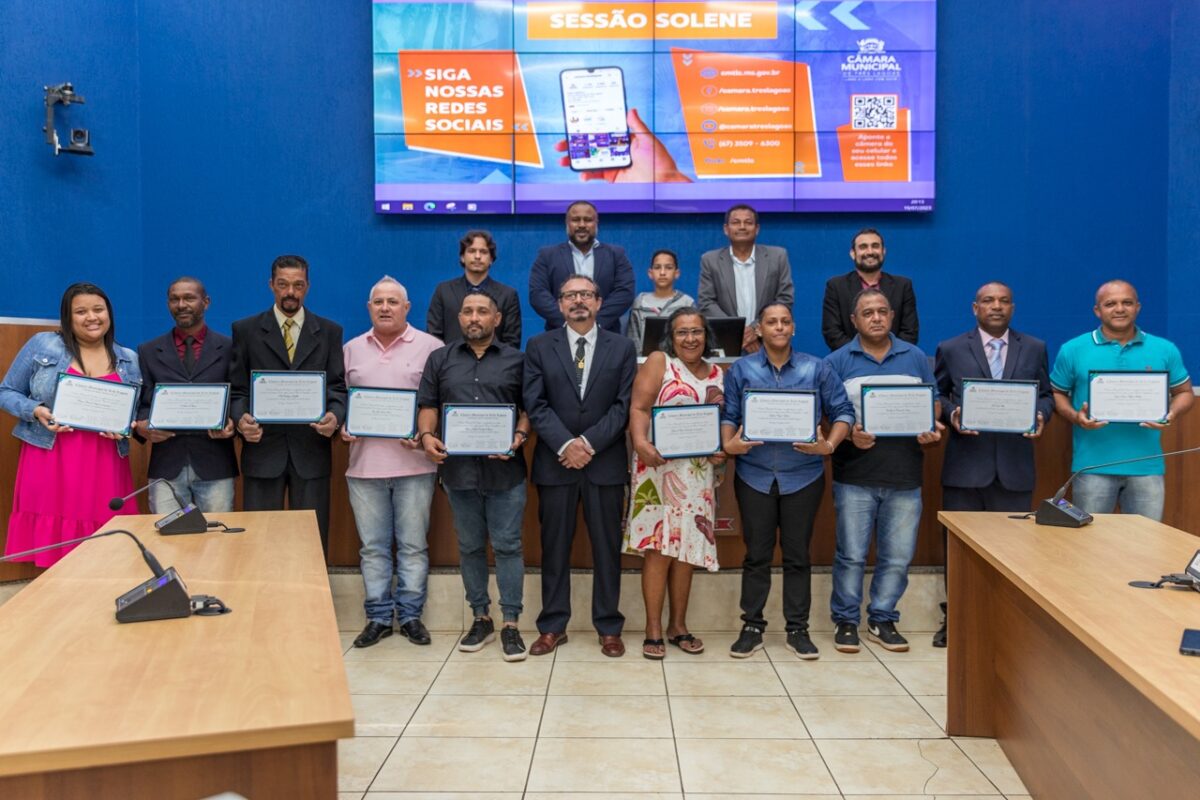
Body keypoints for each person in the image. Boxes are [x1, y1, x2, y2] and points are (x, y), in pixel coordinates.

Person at [721, 303, 855, 659]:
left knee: (798, 555)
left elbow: (843, 412)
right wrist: (728, 443)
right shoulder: (742, 369)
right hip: (754, 475)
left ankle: (798, 629)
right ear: (759, 330)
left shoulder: (817, 368)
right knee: (757, 555)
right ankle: (752, 626)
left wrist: (828, 445)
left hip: (803, 476)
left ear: (793, 328)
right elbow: (730, 414)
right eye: (771, 322)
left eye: (785, 322)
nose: (779, 327)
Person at [932, 281, 1053, 647]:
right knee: (959, 548)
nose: (996, 306)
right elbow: (937, 392)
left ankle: (1007, 618)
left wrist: (1041, 415)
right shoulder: (951, 348)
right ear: (975, 308)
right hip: (965, 466)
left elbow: (1045, 395)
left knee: (1013, 549)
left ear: (1012, 308)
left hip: (1014, 468)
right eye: (988, 301)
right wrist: (952, 413)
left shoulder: (1034, 347)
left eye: (1003, 301)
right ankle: (956, 618)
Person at [524, 274, 637, 657]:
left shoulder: (622, 348)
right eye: (570, 295)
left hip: (603, 463)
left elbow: (623, 406)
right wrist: (566, 444)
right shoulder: (539, 346)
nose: (578, 301)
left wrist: (587, 443)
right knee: (554, 548)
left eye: (585, 294)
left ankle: (608, 626)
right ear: (559, 304)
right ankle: (553, 626)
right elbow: (535, 404)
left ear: (599, 302)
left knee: (607, 548)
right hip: (556, 463)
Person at [824, 289, 943, 653]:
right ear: (854, 320)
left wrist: (932, 427)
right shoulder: (836, 361)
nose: (875, 318)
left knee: (897, 556)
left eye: (881, 312)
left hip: (905, 475)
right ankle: (846, 621)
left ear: (891, 316)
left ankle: (882, 617)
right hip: (854, 476)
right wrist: (848, 437)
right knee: (851, 555)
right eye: (867, 312)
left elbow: (933, 404)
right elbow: (827, 416)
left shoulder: (916, 358)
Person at [417, 289, 532, 661]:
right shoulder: (439, 359)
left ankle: (511, 623)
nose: (474, 317)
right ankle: (480, 616)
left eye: (482, 311)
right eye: (467, 311)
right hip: (459, 472)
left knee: (508, 546)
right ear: (459, 318)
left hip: (506, 471)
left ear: (496, 319)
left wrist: (519, 437)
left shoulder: (518, 360)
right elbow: (428, 405)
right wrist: (427, 436)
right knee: (469, 547)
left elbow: (529, 410)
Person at [0, 282, 142, 567]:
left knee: (105, 551)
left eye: (98, 309)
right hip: (50, 455)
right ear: (68, 316)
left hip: (104, 461)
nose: (92, 317)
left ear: (109, 314)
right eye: (81, 311)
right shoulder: (43, 344)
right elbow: (6, 391)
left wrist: (126, 425)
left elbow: (132, 413)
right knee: (53, 551)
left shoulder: (130, 359)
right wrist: (35, 410)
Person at [342, 277, 443, 649]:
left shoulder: (432, 347)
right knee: (373, 547)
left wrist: (423, 433)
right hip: (364, 467)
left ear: (407, 307)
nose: (385, 307)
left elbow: (440, 403)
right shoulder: (350, 349)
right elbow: (339, 401)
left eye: (393, 302)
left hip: (415, 466)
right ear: (369, 308)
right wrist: (342, 425)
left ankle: (412, 615)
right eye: (378, 302)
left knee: (414, 545)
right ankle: (379, 618)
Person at [625, 307, 726, 659]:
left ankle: (678, 626)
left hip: (698, 476)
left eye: (696, 331)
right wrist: (640, 443)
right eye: (682, 332)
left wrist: (720, 452)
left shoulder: (718, 372)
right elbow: (638, 408)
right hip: (658, 468)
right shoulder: (659, 361)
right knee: (659, 549)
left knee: (687, 551)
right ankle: (653, 627)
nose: (690, 338)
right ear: (671, 336)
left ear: (706, 335)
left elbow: (720, 422)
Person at [229, 254, 347, 553]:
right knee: (258, 541)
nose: (290, 292)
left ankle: (310, 601)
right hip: (263, 450)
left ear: (307, 287)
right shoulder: (246, 330)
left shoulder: (330, 332)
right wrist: (241, 419)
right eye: (283, 284)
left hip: (311, 451)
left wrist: (334, 416)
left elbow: (336, 387)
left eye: (297, 285)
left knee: (310, 543)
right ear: (271, 285)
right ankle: (260, 599)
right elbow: (238, 390)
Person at [1049, 279, 1192, 519]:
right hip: (1092, 467)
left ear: (1138, 307)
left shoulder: (1164, 349)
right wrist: (1076, 417)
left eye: (1127, 302)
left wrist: (1172, 414)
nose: (1119, 309)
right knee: (1090, 545)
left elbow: (1185, 393)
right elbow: (1056, 393)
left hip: (1147, 467)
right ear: (1098, 310)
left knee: (1145, 546)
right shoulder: (1073, 349)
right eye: (1110, 303)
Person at [133, 277, 238, 514]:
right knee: (165, 542)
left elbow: (239, 396)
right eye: (174, 299)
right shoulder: (148, 351)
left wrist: (232, 424)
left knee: (217, 541)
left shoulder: (231, 348)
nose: (181, 304)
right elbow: (143, 403)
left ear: (206, 302)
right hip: (167, 465)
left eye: (189, 298)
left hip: (215, 463)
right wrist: (141, 426)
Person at [697, 204, 794, 355]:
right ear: (726, 229)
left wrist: (757, 330)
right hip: (726, 342)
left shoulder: (777, 256)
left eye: (748, 222)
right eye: (736, 222)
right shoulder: (710, 260)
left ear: (757, 229)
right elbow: (706, 302)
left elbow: (784, 298)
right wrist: (737, 331)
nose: (742, 227)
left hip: (767, 342)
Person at [528, 201, 635, 332]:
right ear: (567, 223)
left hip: (606, 335)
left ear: (596, 223)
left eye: (588, 220)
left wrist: (595, 323)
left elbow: (624, 293)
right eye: (575, 220)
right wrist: (568, 322)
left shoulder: (616, 255)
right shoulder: (547, 256)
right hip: (559, 335)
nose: (582, 225)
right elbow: (538, 294)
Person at [822, 228, 919, 351]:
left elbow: (910, 332)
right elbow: (832, 332)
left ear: (883, 251)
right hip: (850, 363)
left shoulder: (903, 286)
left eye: (875, 246)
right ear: (853, 253)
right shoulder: (835, 286)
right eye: (863, 247)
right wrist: (861, 356)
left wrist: (887, 356)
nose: (870, 251)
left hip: (896, 363)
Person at [426, 229, 522, 348]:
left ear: (491, 259)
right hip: (450, 364)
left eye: (483, 252)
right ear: (462, 257)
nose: (477, 256)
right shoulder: (444, 291)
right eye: (471, 251)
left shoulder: (508, 295)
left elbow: (511, 342)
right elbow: (433, 337)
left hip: (495, 365)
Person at [625, 249, 695, 353]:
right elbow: (634, 340)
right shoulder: (640, 302)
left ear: (677, 273)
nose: (662, 273)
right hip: (646, 362)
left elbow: (693, 338)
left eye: (668, 268)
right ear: (650, 273)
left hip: (680, 363)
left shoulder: (687, 303)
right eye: (657, 268)